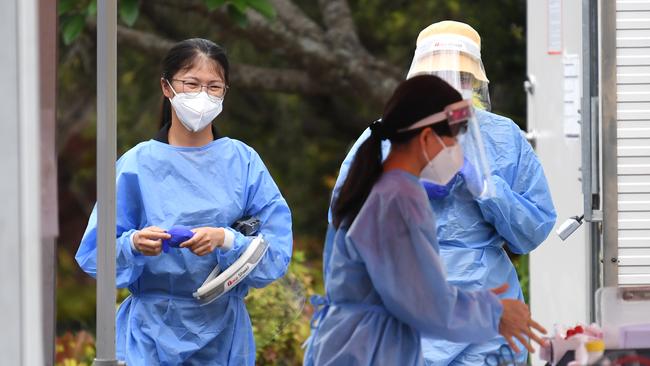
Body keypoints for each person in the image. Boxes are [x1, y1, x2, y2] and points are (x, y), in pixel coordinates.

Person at [319, 21, 557, 365]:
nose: (450, 87)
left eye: (460, 77)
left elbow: (533, 229)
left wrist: (487, 188)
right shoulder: (384, 137)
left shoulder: (503, 138)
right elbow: (345, 222)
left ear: (475, 81)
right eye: (438, 78)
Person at [75, 38, 293, 365]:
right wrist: (133, 244)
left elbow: (275, 253)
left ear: (225, 91)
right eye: (191, 84)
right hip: (147, 336)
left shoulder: (243, 162)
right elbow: (94, 254)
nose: (202, 96)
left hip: (224, 336)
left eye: (214, 86)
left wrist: (226, 239)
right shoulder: (136, 164)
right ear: (167, 87)